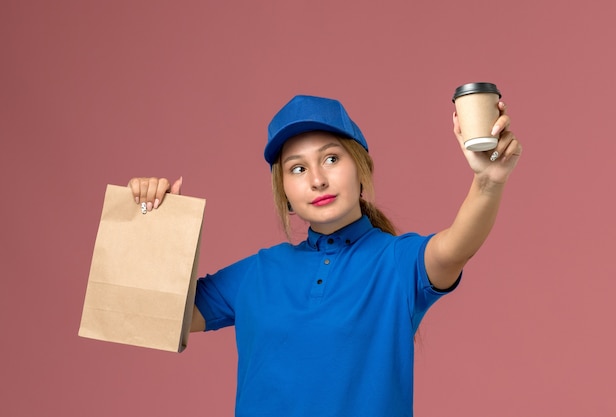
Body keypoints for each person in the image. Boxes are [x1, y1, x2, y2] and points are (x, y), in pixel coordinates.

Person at [128, 94, 521, 417]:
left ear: (361, 167)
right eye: (297, 169)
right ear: (284, 193)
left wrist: (487, 182)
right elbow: (153, 314)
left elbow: (456, 247)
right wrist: (152, 221)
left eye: (331, 159)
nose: (317, 179)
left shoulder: (398, 263)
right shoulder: (257, 273)